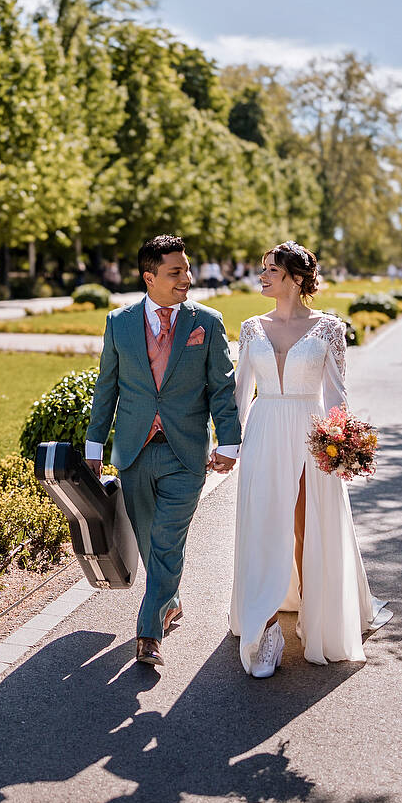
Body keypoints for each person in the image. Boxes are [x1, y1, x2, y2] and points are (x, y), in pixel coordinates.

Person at [228, 241, 392, 678]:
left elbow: (338, 395)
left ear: (295, 279)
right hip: (264, 431)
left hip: (309, 432)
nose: (261, 276)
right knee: (263, 525)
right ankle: (264, 628)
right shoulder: (250, 328)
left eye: (270, 270)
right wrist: (228, 445)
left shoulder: (329, 329)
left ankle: (313, 613)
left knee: (304, 528)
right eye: (261, 269)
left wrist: (343, 444)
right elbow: (239, 393)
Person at [85, 234, 242, 666]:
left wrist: (228, 441)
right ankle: (169, 601)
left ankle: (148, 634)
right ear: (149, 277)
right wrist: (95, 443)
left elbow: (222, 387)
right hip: (135, 451)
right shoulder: (119, 322)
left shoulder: (206, 322)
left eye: (188, 270)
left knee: (168, 541)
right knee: (152, 542)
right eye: (175, 272)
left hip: (186, 453)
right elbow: (107, 388)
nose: (186, 279)